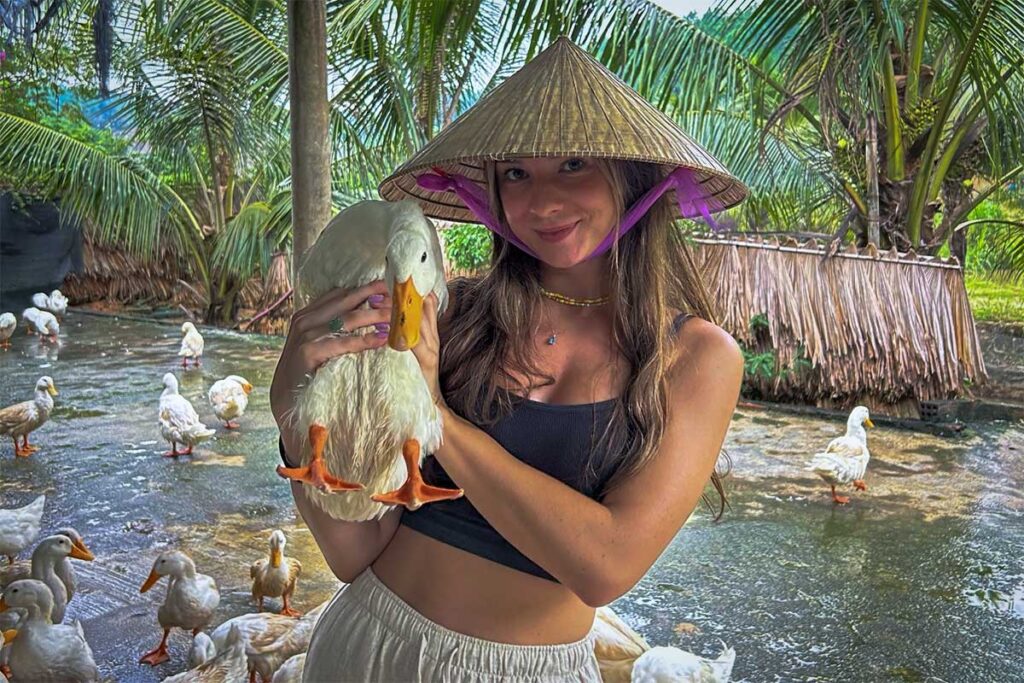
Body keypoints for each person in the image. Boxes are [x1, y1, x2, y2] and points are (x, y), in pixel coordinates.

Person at [270, 36, 747, 682]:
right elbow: (354, 549)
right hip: (371, 644)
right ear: (490, 190)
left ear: (632, 174)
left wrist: (435, 415)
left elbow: (605, 564)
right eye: (516, 173)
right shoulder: (455, 315)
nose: (542, 199)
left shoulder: (696, 358)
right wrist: (294, 418)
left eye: (573, 164)